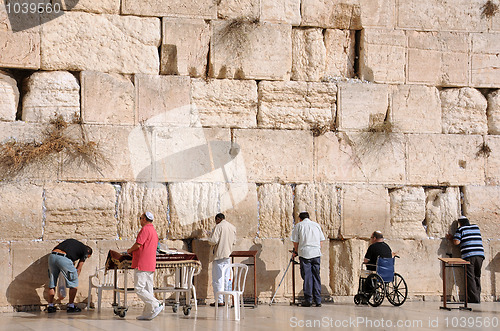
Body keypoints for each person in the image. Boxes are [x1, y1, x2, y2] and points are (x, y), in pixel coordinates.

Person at [126, 212, 164, 320]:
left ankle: (156, 304)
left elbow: (138, 244)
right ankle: (149, 313)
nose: (140, 220)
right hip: (150, 263)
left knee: (139, 288)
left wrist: (129, 250)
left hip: (142, 262)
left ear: (144, 219)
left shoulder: (145, 229)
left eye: (140, 218)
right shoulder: (153, 230)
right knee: (148, 288)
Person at [47, 238, 92, 313]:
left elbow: (56, 247)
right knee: (73, 284)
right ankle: (71, 306)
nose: (86, 258)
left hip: (52, 256)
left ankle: (50, 306)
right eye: (87, 257)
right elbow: (79, 268)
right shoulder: (85, 251)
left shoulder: (73, 242)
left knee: (52, 283)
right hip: (63, 258)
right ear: (88, 252)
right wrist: (74, 277)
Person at [446, 216, 485, 303]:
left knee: (470, 277)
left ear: (460, 223)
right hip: (480, 255)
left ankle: (473, 299)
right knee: (477, 276)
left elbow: (456, 242)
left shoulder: (461, 229)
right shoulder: (476, 227)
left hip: (469, 255)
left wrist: (451, 238)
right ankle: (477, 296)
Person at [291, 211, 326, 307]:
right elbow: (321, 240)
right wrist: (317, 249)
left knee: (307, 277)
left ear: (300, 218)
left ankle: (308, 299)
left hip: (305, 253)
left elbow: (296, 242)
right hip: (316, 253)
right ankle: (318, 300)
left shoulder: (299, 226)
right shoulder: (316, 225)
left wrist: (295, 252)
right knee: (316, 276)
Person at [208, 213, 236, 307]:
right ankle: (227, 300)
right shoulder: (232, 227)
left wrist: (209, 236)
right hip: (227, 256)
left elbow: (213, 240)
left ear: (218, 219)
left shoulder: (219, 227)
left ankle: (219, 300)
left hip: (219, 256)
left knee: (217, 279)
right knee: (226, 279)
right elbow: (234, 242)